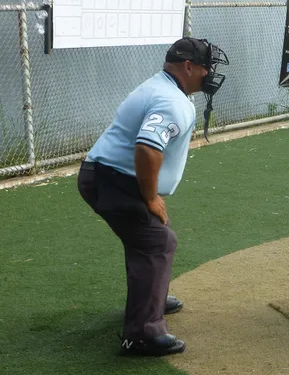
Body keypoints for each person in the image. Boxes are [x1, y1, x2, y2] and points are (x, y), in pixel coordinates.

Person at [78, 37, 229, 356]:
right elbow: (147, 149)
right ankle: (141, 334)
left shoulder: (161, 86)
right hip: (112, 180)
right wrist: (149, 197)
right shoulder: (171, 101)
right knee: (157, 242)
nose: (210, 74)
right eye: (206, 67)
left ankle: (150, 300)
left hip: (107, 175)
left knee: (151, 236)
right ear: (188, 67)